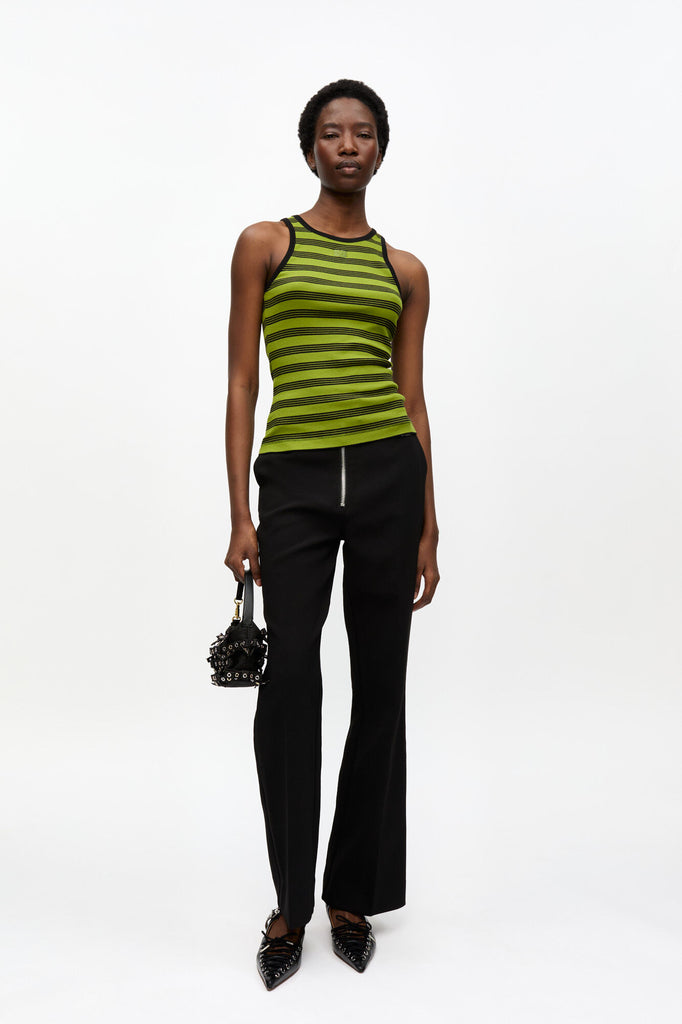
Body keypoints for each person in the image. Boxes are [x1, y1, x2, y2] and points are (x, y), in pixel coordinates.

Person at [223, 78, 440, 990]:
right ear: (309, 147)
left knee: (380, 686)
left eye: (363, 134)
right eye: (331, 133)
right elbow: (242, 382)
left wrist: (429, 522)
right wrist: (240, 511)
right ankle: (290, 903)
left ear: (381, 149)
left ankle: (353, 894)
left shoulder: (404, 271)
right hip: (297, 482)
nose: (347, 146)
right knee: (292, 685)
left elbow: (413, 398)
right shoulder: (266, 245)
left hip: (390, 476)